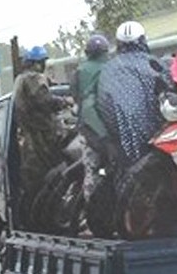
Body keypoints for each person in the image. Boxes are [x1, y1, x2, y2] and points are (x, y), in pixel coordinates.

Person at [97, 21, 169, 173]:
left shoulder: (107, 70)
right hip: (155, 139)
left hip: (119, 145)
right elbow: (170, 88)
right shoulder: (151, 63)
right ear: (142, 40)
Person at [12, 45, 71, 226]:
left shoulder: (20, 80)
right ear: (37, 63)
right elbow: (44, 100)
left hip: (30, 138)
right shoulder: (33, 78)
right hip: (42, 138)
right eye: (43, 62)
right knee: (55, 177)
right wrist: (64, 101)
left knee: (34, 183)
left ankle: (37, 220)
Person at [70, 34, 111, 202]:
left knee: (91, 171)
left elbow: (76, 98)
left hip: (88, 130)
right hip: (111, 127)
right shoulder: (110, 68)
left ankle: (91, 207)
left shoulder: (79, 71)